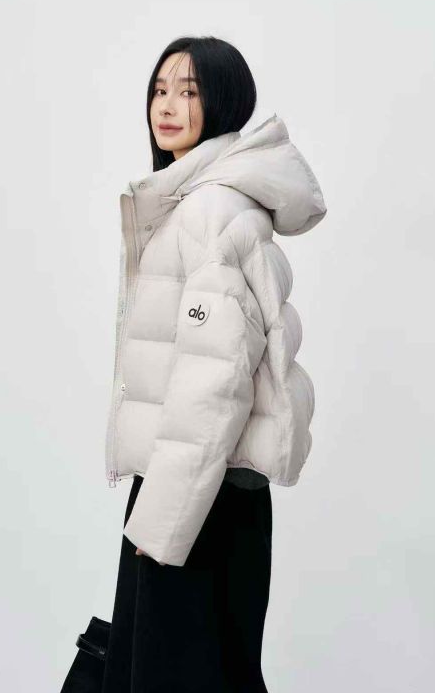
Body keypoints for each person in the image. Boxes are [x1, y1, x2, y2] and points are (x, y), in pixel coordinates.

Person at [101, 35, 327, 693]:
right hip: (203, 488)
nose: (167, 105)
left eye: (189, 91)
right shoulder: (199, 203)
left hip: (196, 498)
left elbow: (215, 382)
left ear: (223, 101)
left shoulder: (210, 211)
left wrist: (163, 522)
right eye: (160, 89)